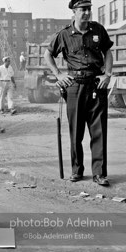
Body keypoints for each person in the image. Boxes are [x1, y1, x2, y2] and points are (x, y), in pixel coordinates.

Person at [44, 0, 113, 186]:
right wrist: (58, 74)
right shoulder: (65, 34)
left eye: (89, 9)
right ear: (74, 12)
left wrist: (108, 74)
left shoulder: (98, 30)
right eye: (83, 9)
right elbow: (48, 54)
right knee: (76, 131)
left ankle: (99, 173)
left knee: (99, 131)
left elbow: (107, 51)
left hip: (96, 84)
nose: (87, 13)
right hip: (74, 86)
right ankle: (77, 170)